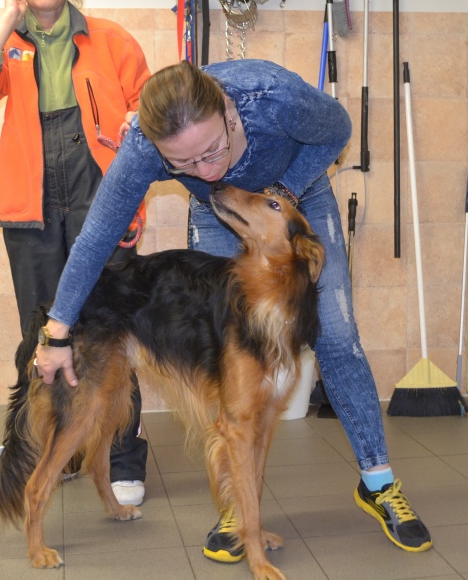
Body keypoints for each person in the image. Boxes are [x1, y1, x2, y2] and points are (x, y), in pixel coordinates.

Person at [36, 59, 433, 560]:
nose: (205, 170)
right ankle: (239, 510)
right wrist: (56, 332)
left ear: (228, 112)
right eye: (182, 164)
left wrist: (283, 192)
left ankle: (377, 482)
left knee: (335, 334)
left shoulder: (275, 98)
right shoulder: (144, 147)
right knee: (229, 368)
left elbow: (339, 130)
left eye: (211, 151)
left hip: (297, 197)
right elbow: (96, 238)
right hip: (221, 207)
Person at [0, 0, 149, 506]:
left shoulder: (111, 39)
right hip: (30, 205)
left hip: (98, 195)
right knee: (41, 334)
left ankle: (123, 457)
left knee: (111, 335)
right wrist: (6, 20)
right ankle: (59, 452)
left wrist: (137, 121)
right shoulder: (7, 42)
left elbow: (151, 107)